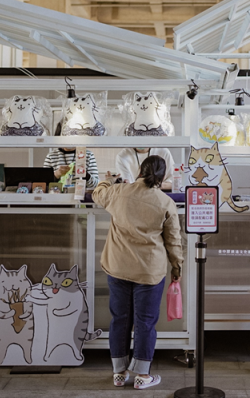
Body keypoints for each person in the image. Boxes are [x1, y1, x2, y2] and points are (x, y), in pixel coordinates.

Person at [92, 155, 183, 390]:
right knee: (145, 322)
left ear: (140, 170)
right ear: (162, 177)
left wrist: (107, 181)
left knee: (120, 319)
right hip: (149, 272)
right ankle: (142, 375)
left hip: (118, 267)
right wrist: (176, 267)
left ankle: (119, 373)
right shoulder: (165, 202)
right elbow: (173, 241)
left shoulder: (118, 192)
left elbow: (97, 193)